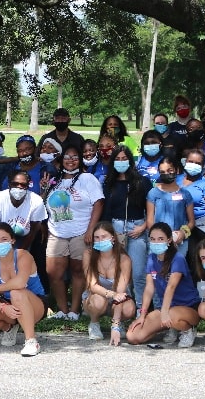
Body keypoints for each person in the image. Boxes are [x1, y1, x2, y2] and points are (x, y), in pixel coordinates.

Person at [45, 144, 104, 320]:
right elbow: (43, 205)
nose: (70, 160)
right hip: (56, 232)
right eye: (67, 157)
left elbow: (98, 203)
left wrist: (91, 229)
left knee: (78, 271)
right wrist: (43, 189)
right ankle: (62, 309)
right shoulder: (54, 179)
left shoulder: (87, 178)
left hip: (80, 231)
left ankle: (75, 310)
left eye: (75, 157)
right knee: (53, 272)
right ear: (61, 160)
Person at [124, 222, 201, 347]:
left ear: (169, 240)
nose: (156, 242)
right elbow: (149, 288)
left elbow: (171, 287)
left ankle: (187, 330)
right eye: (153, 239)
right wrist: (142, 315)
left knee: (172, 315)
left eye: (161, 239)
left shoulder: (178, 258)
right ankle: (170, 328)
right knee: (133, 336)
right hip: (166, 308)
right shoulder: (151, 258)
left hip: (188, 308)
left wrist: (164, 313)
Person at [0, 223, 46, 357]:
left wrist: (0, 287)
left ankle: (31, 341)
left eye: (4, 239)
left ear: (12, 240)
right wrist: (2, 307)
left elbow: (20, 282)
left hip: (35, 304)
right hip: (9, 306)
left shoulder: (23, 255)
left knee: (16, 292)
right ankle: (9, 328)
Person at [102, 144, 153, 299]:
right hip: (115, 229)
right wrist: (109, 233)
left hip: (137, 228)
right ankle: (124, 301)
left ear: (130, 161)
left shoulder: (142, 182)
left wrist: (143, 227)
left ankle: (139, 306)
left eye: (124, 158)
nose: (121, 161)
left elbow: (151, 209)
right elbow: (106, 211)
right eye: (117, 159)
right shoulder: (108, 183)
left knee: (138, 271)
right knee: (120, 270)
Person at [82, 221, 136, 345]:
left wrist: (115, 326)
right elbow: (92, 285)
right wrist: (111, 294)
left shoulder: (124, 259)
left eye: (104, 236)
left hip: (118, 298)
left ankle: (118, 322)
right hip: (97, 297)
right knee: (98, 301)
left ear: (112, 238)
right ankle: (94, 323)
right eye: (97, 237)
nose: (100, 240)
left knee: (129, 309)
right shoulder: (88, 255)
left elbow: (120, 292)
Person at [146, 156, 195, 256]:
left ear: (176, 170)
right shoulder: (153, 193)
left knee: (177, 269)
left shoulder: (185, 194)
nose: (166, 174)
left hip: (179, 241)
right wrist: (159, 237)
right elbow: (150, 220)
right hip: (158, 242)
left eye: (170, 170)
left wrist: (183, 233)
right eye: (162, 172)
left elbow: (191, 221)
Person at [0, 170, 47, 249]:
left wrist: (21, 252)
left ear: (28, 186)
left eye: (23, 184)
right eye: (15, 184)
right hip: (1, 237)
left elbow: (33, 230)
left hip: (25, 237)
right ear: (9, 185)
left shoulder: (36, 201)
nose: (19, 187)